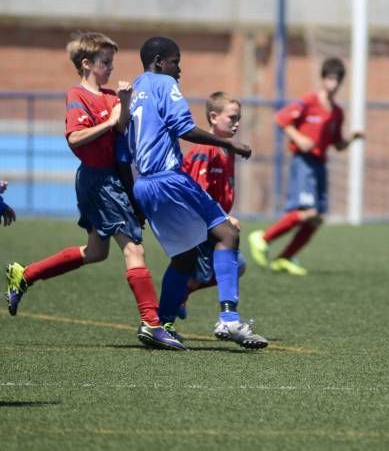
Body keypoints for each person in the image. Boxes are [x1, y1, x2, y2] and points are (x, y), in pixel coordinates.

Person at [4, 31, 183, 350]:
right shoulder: (78, 94)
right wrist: (111, 120)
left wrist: (124, 105)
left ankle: (26, 274)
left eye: (112, 62)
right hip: (97, 180)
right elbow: (75, 138)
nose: (111, 68)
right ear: (86, 64)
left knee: (96, 252)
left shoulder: (112, 95)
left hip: (109, 179)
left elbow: (121, 127)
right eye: (105, 62)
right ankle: (151, 323)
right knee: (134, 249)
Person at [126, 36, 266, 349]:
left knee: (184, 258)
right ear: (161, 61)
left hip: (144, 184)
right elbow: (184, 128)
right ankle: (229, 320)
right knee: (227, 234)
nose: (179, 69)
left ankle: (160, 325)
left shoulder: (136, 89)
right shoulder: (163, 84)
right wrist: (229, 143)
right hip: (168, 179)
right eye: (176, 61)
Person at [248, 57, 364, 276]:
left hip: (320, 165)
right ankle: (262, 238)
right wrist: (299, 139)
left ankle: (285, 258)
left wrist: (353, 138)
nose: (334, 84)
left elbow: (338, 145)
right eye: (330, 78)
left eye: (338, 80)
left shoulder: (337, 113)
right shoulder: (308, 101)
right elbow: (281, 118)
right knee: (307, 212)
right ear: (322, 79)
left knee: (317, 218)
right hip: (304, 162)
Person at [174, 92, 247, 322]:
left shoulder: (228, 151)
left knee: (236, 265)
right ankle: (167, 308)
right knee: (211, 268)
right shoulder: (204, 150)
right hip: (198, 224)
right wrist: (225, 217)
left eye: (238, 118)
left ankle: (175, 299)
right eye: (232, 118)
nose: (236, 123)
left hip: (212, 224)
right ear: (214, 117)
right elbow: (197, 193)